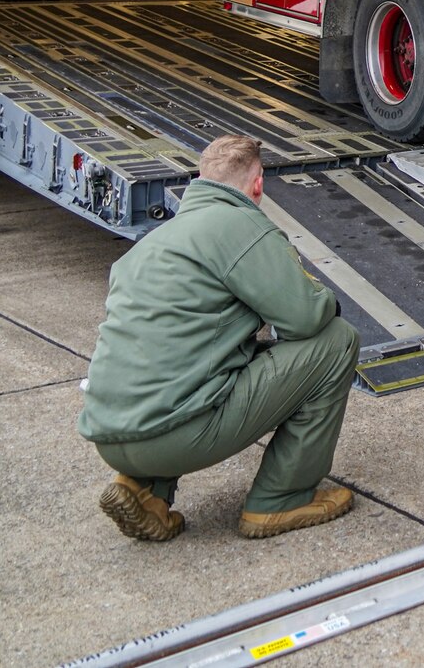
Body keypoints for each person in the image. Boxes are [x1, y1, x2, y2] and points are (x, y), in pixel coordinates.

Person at [78, 133, 359, 541]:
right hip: (174, 437)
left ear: (201, 179)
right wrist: (325, 301)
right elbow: (306, 319)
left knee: (191, 362)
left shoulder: (151, 245)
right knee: (337, 342)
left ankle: (144, 489)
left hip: (112, 434)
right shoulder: (240, 226)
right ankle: (281, 499)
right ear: (257, 183)